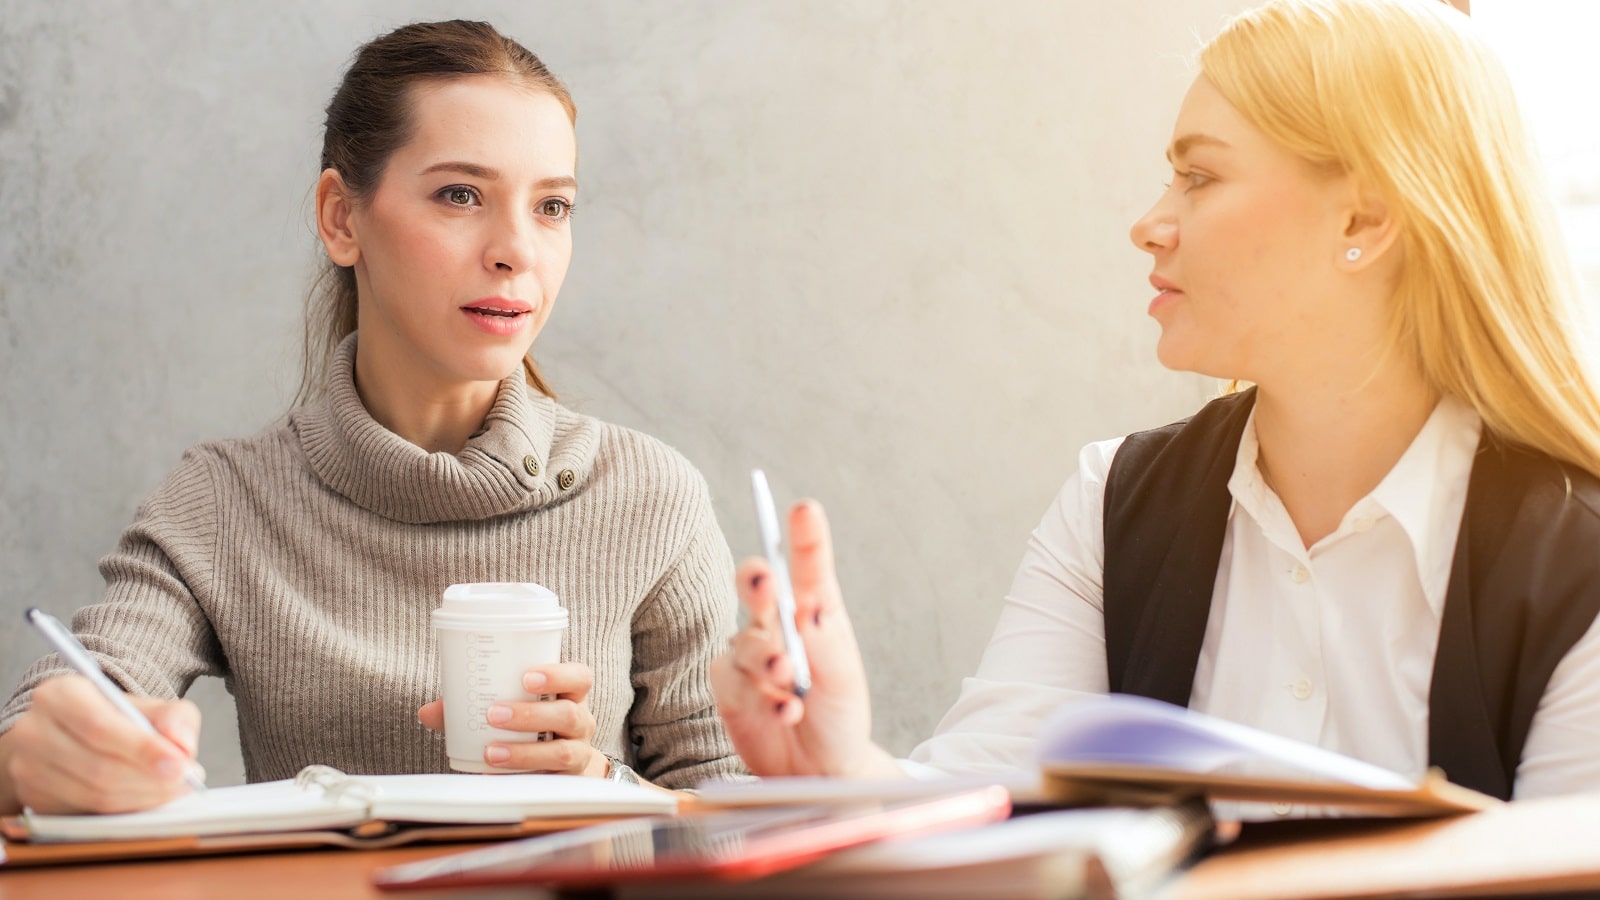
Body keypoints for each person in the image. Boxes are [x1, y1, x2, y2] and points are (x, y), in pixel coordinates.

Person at [713, 0, 1600, 803]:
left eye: (1200, 178)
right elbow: (986, 810)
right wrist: (844, 768)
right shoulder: (1114, 500)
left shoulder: (1576, 557)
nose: (1150, 222)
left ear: (1363, 222)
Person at [0, 20, 743, 816]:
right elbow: (67, 706)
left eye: (552, 206)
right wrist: (36, 760)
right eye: (461, 195)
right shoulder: (223, 502)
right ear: (341, 219)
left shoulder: (651, 497)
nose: (516, 250)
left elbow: (740, 813)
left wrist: (606, 789)